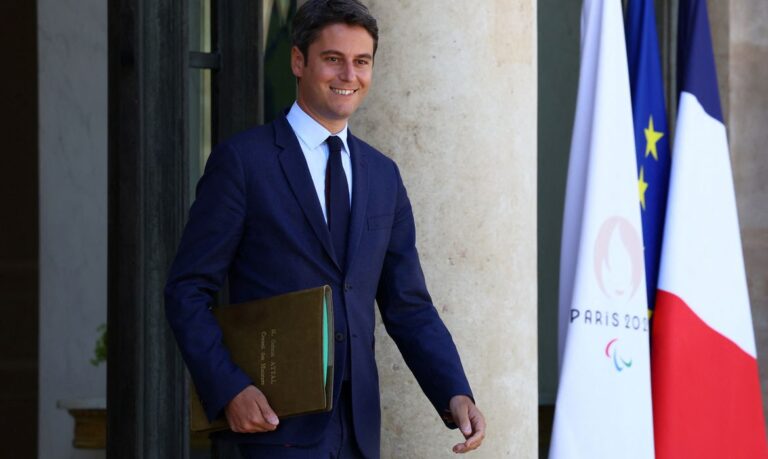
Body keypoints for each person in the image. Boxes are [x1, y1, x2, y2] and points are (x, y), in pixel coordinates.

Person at [164, 0, 486, 457]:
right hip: (272, 426)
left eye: (361, 62)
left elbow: (408, 305)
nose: (348, 75)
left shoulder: (383, 176)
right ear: (299, 61)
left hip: (357, 433)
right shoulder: (243, 163)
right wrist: (229, 388)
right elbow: (186, 290)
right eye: (333, 59)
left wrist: (455, 391)